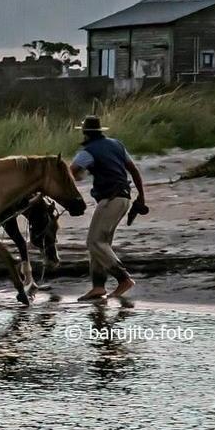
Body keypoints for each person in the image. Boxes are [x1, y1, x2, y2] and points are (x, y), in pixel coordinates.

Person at [70, 116, 146, 300]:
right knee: (101, 243)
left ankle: (124, 279)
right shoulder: (117, 145)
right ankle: (98, 287)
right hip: (124, 198)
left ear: (85, 133)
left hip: (110, 200)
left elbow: (70, 173)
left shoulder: (87, 152)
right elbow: (134, 170)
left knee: (94, 242)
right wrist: (141, 197)